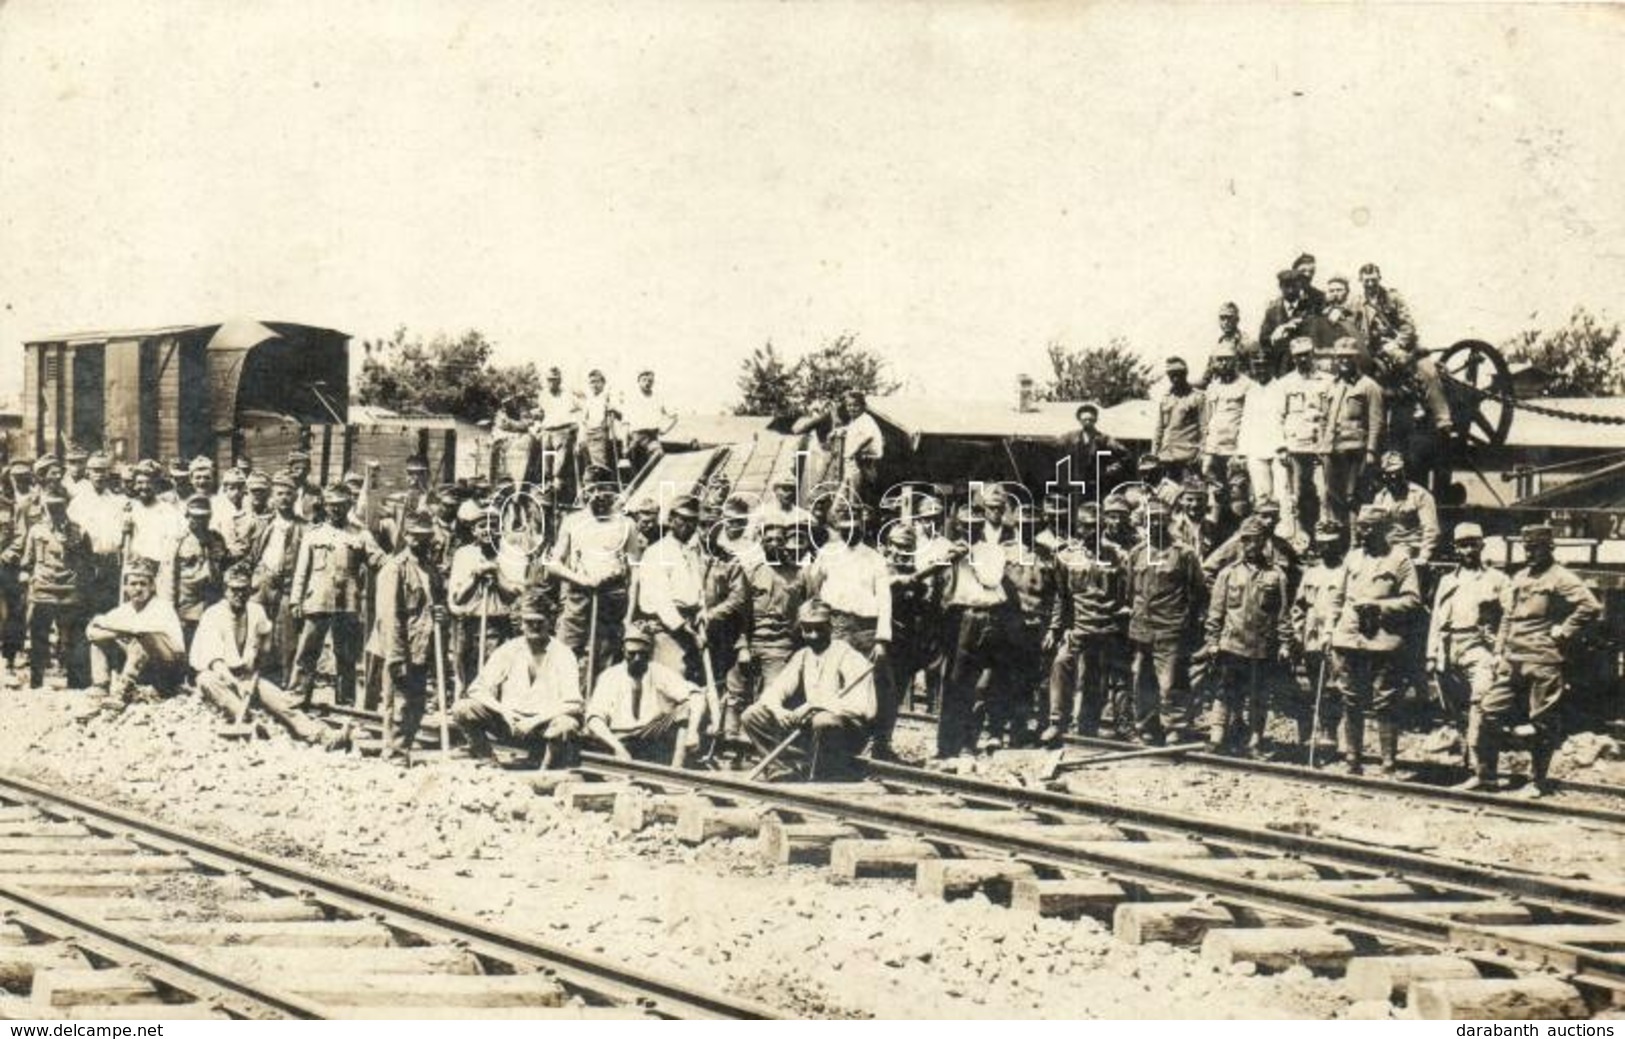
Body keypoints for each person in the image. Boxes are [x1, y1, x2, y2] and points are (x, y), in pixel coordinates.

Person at [1470, 524, 1600, 796]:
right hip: (1513, 659)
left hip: (1543, 659)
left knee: (1542, 721)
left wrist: (1564, 630)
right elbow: (1508, 617)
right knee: (1488, 711)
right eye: (1526, 548)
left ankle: (1537, 782)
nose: (1529, 553)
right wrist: (1498, 651)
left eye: (1535, 548)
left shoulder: (1561, 577)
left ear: (1549, 548)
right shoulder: (1520, 576)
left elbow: (1590, 605)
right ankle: (1486, 776)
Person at [191, 564, 344, 747]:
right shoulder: (213, 615)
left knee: (283, 702)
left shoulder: (256, 611)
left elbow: (266, 637)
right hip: (220, 676)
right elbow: (216, 662)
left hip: (247, 675)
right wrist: (236, 684)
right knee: (207, 680)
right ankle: (250, 722)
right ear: (226, 590)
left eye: (244, 590)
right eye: (235, 590)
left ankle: (320, 735)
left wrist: (257, 662)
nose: (240, 594)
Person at [1329, 506, 1420, 776]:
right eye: (1360, 527)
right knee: (1350, 699)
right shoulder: (1353, 557)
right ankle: (1352, 758)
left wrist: (1379, 606)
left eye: (1368, 528)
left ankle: (1388, 762)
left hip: (1383, 641)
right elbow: (1339, 595)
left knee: (1385, 701)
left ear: (1382, 529)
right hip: (1349, 639)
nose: (1362, 533)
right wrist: (1330, 629)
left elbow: (1413, 600)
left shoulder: (1400, 560)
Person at [740, 600, 876, 781]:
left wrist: (815, 705)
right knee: (752, 715)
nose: (813, 635)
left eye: (819, 629)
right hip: (813, 731)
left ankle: (825, 773)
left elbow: (864, 707)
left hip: (847, 733)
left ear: (830, 627)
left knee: (823, 720)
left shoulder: (848, 655)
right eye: (807, 629)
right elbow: (774, 692)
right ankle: (782, 771)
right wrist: (779, 711)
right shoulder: (803, 655)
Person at [455, 593, 584, 769]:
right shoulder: (509, 650)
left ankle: (545, 772)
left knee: (566, 725)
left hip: (543, 726)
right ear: (521, 623)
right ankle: (488, 762)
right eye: (529, 622)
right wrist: (504, 711)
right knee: (463, 708)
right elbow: (477, 689)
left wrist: (535, 720)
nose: (534, 626)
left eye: (540, 621)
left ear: (551, 622)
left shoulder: (563, 654)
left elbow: (574, 703)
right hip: (510, 723)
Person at [1203, 517, 1296, 756]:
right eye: (1245, 540)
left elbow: (1284, 614)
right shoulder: (1228, 574)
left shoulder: (1277, 576)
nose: (1249, 545)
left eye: (1254, 540)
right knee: (1224, 692)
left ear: (1264, 541)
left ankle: (1254, 742)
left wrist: (1285, 643)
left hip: (1261, 647)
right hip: (1232, 644)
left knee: (1258, 696)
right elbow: (1216, 612)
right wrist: (1212, 642)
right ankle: (1217, 739)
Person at [288, 485, 385, 707]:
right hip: (317, 600)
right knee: (308, 651)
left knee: (346, 656)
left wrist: (396, 562)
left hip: (347, 603)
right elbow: (301, 571)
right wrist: (296, 599)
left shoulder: (360, 534)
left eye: (341, 506)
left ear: (349, 506)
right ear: (325, 506)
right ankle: (298, 697)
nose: (336, 510)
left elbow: (378, 560)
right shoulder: (313, 535)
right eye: (332, 505)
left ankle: (345, 701)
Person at [934, 487, 1014, 757]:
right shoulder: (948, 550)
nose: (971, 529)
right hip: (962, 617)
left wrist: (970, 556)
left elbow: (991, 579)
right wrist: (949, 558)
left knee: (982, 684)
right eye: (966, 525)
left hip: (989, 616)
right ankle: (947, 746)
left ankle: (969, 742)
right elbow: (939, 585)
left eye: (975, 525)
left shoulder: (990, 551)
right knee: (955, 682)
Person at [1427, 523, 1508, 775]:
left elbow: (1508, 618)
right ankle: (1468, 763)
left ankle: (1482, 769)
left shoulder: (1498, 579)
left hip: (1480, 648)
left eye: (1474, 543)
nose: (1469, 549)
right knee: (1457, 709)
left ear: (1482, 545)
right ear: (1455, 548)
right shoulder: (1447, 580)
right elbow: (1436, 620)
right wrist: (1431, 654)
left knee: (1481, 705)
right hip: (1449, 648)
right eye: (1463, 544)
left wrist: (1499, 652)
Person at [547, 467, 637, 688]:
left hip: (612, 599)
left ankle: (596, 710)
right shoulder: (572, 521)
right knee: (564, 653)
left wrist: (629, 615)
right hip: (579, 596)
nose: (598, 494)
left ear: (612, 491)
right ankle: (564, 706)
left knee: (605, 656)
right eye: (592, 489)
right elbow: (553, 564)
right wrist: (581, 580)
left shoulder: (626, 524)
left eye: (604, 489)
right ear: (584, 490)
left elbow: (636, 573)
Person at [369, 511, 447, 761]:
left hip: (423, 646)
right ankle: (394, 752)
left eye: (426, 537)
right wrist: (397, 657)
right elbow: (389, 617)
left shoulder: (431, 569)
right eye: (416, 537)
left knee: (417, 703)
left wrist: (441, 614)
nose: (421, 542)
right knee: (399, 704)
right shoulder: (395, 569)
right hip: (401, 647)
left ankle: (405, 748)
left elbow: (435, 605)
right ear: (407, 536)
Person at [1126, 500, 1206, 745]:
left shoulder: (1184, 554)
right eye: (1151, 520)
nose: (1156, 524)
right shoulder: (1137, 553)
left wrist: (1185, 622)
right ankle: (1146, 727)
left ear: (1169, 521)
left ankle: (1174, 728)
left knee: (1170, 682)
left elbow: (1198, 592)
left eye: (1161, 519)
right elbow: (1130, 590)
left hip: (1171, 627)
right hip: (1142, 628)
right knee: (1142, 679)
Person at [1046, 503, 1127, 743]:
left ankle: (1087, 728)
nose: (1089, 531)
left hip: (1106, 626)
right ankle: (1057, 721)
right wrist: (1058, 627)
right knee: (1061, 664)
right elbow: (1061, 597)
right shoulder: (1065, 556)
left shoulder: (1116, 557)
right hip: (1079, 626)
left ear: (1102, 526)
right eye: (1084, 527)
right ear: (1078, 528)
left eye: (1094, 526)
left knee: (1096, 677)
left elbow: (1124, 594)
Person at [726, 520, 809, 746]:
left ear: (786, 543)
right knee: (734, 685)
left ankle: (766, 746)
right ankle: (730, 740)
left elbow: (806, 610)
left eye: (779, 540)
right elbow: (741, 614)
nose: (774, 544)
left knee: (773, 697)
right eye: (769, 540)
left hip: (781, 645)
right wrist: (743, 647)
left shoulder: (799, 575)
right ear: (761, 543)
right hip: (752, 642)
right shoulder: (752, 572)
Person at [584, 626, 707, 766]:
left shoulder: (657, 671)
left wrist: (692, 732)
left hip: (648, 734)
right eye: (632, 653)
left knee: (685, 708)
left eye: (643, 654)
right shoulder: (610, 676)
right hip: (618, 737)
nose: (637, 659)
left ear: (650, 653)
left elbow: (696, 695)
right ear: (623, 651)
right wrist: (618, 748)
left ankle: (676, 771)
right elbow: (594, 718)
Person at [12, 487, 94, 689]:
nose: (55, 511)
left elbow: (88, 561)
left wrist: (81, 582)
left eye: (59, 506)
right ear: (44, 508)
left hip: (70, 589)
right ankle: (36, 681)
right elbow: (27, 560)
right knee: (39, 636)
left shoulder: (79, 531)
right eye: (50, 506)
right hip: (43, 589)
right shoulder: (36, 530)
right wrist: (26, 575)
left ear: (66, 506)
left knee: (75, 637)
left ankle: (76, 682)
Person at [86, 558, 185, 701]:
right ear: (125, 587)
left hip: (167, 666)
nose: (138, 588)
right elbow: (91, 632)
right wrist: (115, 634)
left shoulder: (162, 607)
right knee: (100, 640)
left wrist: (111, 627)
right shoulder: (123, 610)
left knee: (141, 639)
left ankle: (124, 690)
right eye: (133, 584)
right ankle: (101, 685)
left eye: (143, 584)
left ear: (152, 586)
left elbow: (140, 631)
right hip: (141, 664)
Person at [633, 492, 707, 681]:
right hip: (668, 630)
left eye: (693, 521)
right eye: (683, 519)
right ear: (671, 519)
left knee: (692, 686)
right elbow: (661, 601)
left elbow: (699, 590)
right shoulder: (656, 552)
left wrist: (701, 613)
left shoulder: (692, 553)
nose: (688, 525)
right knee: (671, 683)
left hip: (692, 627)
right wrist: (686, 631)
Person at [448, 509, 523, 689]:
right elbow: (457, 597)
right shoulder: (463, 554)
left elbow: (512, 594)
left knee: (496, 675)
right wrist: (475, 577)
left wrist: (497, 574)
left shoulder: (511, 554)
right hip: (469, 624)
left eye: (494, 526)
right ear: (473, 530)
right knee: (468, 674)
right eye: (482, 526)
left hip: (498, 625)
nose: (488, 530)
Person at [1291, 521, 1349, 754]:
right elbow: (1299, 606)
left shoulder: (1347, 571)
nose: (1327, 549)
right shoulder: (1312, 572)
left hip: (1337, 635)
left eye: (1332, 544)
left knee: (1334, 686)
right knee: (1315, 685)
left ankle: (1331, 732)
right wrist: (1297, 631)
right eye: (1323, 544)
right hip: (1312, 636)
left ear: (1339, 544)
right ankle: (1314, 731)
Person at [1319, 338, 1385, 528]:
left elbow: (1376, 422)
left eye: (1348, 358)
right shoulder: (1332, 386)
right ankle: (1340, 540)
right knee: (1333, 495)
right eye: (1340, 358)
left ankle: (1357, 541)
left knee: (1354, 495)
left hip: (1357, 451)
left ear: (1356, 359)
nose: (1344, 362)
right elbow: (1325, 417)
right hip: (1333, 450)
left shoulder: (1369, 386)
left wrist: (1371, 451)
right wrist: (1322, 446)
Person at [248, 473, 306, 683]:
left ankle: (284, 682)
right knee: (258, 632)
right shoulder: (264, 524)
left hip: (288, 586)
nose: (284, 498)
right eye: (280, 493)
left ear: (295, 497)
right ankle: (255, 679)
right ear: (273, 495)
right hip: (262, 583)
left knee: (286, 637)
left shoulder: (303, 527)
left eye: (288, 494)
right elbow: (252, 555)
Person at [1276, 336, 1331, 539]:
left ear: (1313, 354)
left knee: (1323, 494)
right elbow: (1279, 417)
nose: (1303, 359)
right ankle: (1301, 538)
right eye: (1298, 356)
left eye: (1306, 355)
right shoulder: (1285, 383)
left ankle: (1324, 536)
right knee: (1297, 496)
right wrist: (1282, 447)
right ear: (1293, 358)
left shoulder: (1328, 381)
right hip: (1296, 446)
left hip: (1320, 445)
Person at [171, 495, 229, 648]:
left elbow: (224, 567)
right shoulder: (178, 541)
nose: (199, 521)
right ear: (187, 516)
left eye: (204, 517)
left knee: (212, 643)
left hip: (212, 600)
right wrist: (170, 607)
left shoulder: (217, 539)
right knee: (187, 643)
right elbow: (169, 575)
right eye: (195, 517)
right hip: (188, 602)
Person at [1371, 451, 1440, 564]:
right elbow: (1375, 528)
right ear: (1383, 475)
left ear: (1404, 471)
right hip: (1386, 548)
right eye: (1389, 474)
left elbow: (1431, 530)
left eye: (1397, 472)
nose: (1393, 477)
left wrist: (1424, 556)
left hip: (1411, 547)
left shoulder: (1420, 495)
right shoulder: (1380, 497)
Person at [1200, 343, 1253, 483]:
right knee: (1215, 493)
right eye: (1220, 359)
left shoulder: (1247, 385)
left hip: (1235, 449)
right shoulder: (1212, 387)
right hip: (1213, 449)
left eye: (1228, 359)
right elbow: (1206, 420)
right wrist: (1204, 448)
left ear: (1235, 360)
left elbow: (1251, 420)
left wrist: (1244, 450)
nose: (1224, 363)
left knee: (1238, 496)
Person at [1059, 403, 1130, 495]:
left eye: (1091, 420)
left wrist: (1112, 468)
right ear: (1079, 420)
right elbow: (1055, 448)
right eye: (1084, 420)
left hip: (1096, 484)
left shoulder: (1104, 439)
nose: (1088, 422)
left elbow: (1125, 454)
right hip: (1075, 484)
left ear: (1095, 420)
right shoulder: (1069, 437)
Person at [1152, 357, 1205, 482]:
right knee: (1167, 494)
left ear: (1185, 374)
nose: (1175, 378)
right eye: (1171, 375)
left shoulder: (1197, 397)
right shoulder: (1166, 398)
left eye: (1179, 374)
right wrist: (1154, 453)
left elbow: (1204, 427)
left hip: (1188, 456)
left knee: (1189, 493)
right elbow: (1159, 428)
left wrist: (1202, 451)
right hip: (1166, 456)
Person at [1259, 268, 1316, 376]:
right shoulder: (1272, 312)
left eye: (1294, 286)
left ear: (1300, 286)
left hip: (1305, 365)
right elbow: (1263, 340)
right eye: (1286, 286)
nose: (1290, 290)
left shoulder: (1310, 308)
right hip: (1280, 368)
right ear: (1280, 287)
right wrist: (1274, 336)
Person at [621, 369, 676, 478]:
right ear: (639, 381)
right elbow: (625, 423)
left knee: (658, 456)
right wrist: (624, 445)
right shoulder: (631, 399)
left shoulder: (658, 398)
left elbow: (674, 417)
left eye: (650, 381)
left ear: (653, 382)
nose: (647, 383)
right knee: (637, 471)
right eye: (644, 380)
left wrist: (665, 430)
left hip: (652, 438)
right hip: (636, 438)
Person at [835, 391, 884, 510]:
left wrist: (854, 451)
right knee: (843, 496)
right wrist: (841, 430)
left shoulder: (866, 420)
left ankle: (856, 515)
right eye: (849, 405)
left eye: (855, 405)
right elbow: (853, 430)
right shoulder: (855, 421)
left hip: (863, 463)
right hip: (852, 463)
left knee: (855, 496)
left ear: (863, 406)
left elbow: (868, 436)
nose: (852, 408)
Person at [1355, 263, 1418, 355]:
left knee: (1401, 359)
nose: (1370, 284)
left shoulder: (1393, 298)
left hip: (1391, 344)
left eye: (1374, 280)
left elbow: (1408, 326)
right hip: (1368, 348)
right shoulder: (1357, 302)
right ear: (1360, 280)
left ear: (1379, 278)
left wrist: (1397, 343)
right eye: (1366, 281)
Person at [576, 369, 618, 472]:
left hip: (600, 433)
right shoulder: (588, 401)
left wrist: (613, 409)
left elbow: (619, 415)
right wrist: (579, 440)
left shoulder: (607, 398)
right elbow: (583, 421)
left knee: (600, 464)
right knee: (587, 463)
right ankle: (591, 484)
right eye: (592, 382)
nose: (594, 385)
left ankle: (601, 483)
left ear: (603, 383)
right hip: (588, 434)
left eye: (597, 381)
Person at [1215, 301, 1258, 369]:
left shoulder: (1247, 342)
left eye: (1229, 318)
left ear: (1237, 319)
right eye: (1222, 318)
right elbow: (1209, 373)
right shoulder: (1220, 343)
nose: (1226, 322)